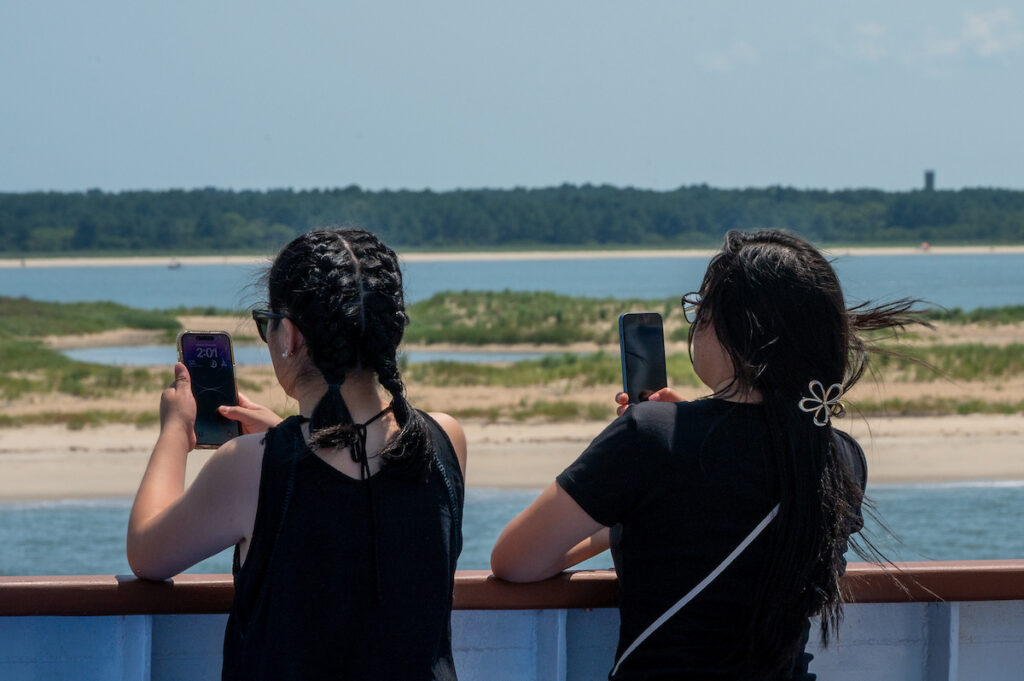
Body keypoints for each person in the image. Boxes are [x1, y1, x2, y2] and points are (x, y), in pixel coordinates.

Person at [491, 229, 920, 680]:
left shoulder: (650, 437)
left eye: (701, 309)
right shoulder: (839, 455)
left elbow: (515, 560)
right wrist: (679, 439)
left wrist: (638, 480)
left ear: (731, 328)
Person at [127, 228, 467, 681]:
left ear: (289, 335)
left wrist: (174, 431)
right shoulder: (443, 439)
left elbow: (147, 553)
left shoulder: (249, 466)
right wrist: (283, 438)